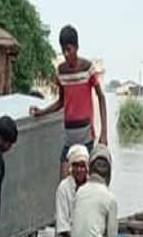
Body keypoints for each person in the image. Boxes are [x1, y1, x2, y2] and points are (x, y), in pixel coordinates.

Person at [30, 24, 108, 178]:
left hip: (86, 134)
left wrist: (104, 132)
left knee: (84, 180)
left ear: (76, 48)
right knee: (63, 181)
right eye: (63, 50)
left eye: (69, 50)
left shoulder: (88, 68)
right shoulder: (61, 72)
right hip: (68, 134)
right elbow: (61, 102)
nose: (66, 54)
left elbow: (101, 97)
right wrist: (42, 112)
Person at [55, 144, 90, 237]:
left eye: (82, 166)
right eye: (76, 165)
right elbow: (63, 228)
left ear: (87, 168)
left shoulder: (93, 186)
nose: (79, 169)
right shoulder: (63, 188)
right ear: (71, 167)